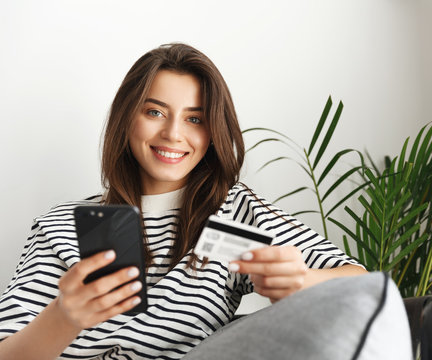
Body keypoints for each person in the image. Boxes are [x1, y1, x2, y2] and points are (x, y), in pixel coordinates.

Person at [0, 43, 385, 359]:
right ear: (126, 119)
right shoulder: (63, 224)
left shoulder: (233, 215)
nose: (172, 134)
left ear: (214, 130)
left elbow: (358, 283)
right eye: (154, 112)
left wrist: (301, 280)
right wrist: (64, 318)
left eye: (195, 119)